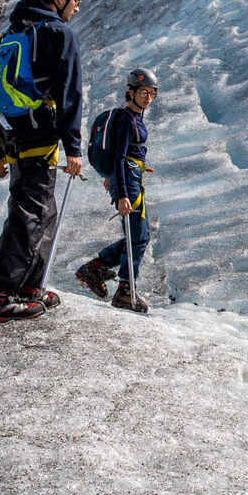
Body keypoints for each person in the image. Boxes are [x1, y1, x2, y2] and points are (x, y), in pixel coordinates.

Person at [0, 0, 84, 323]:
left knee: (42, 212)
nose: (77, 6)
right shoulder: (58, 33)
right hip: (40, 136)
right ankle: (1, 297)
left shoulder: (11, 30)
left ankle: (28, 288)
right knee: (29, 215)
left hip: (13, 134)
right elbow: (70, 94)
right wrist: (74, 147)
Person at [75, 68, 158, 313]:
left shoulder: (134, 118)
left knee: (138, 235)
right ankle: (124, 289)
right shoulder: (126, 119)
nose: (148, 98)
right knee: (139, 235)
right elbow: (120, 158)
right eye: (143, 92)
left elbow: (126, 157)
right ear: (130, 92)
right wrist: (121, 193)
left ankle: (97, 268)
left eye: (152, 93)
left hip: (130, 178)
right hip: (127, 182)